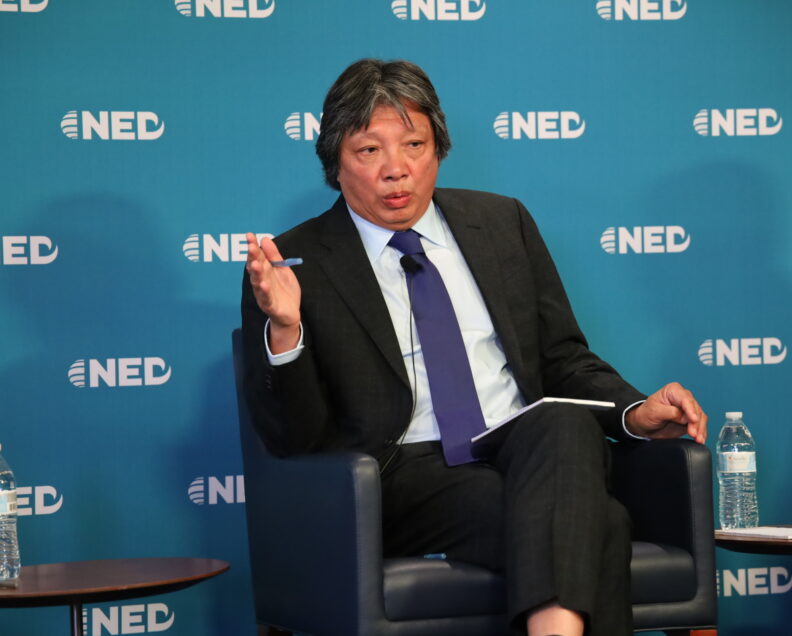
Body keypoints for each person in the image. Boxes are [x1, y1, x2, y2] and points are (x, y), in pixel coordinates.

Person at [241, 58, 707, 636]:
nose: (396, 170)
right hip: (401, 472)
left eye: (414, 145)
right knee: (600, 523)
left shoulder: (502, 222)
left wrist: (634, 411)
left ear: (438, 149)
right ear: (335, 162)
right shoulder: (295, 262)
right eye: (369, 151)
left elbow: (562, 358)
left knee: (563, 422)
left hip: (526, 447)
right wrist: (286, 331)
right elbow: (294, 438)